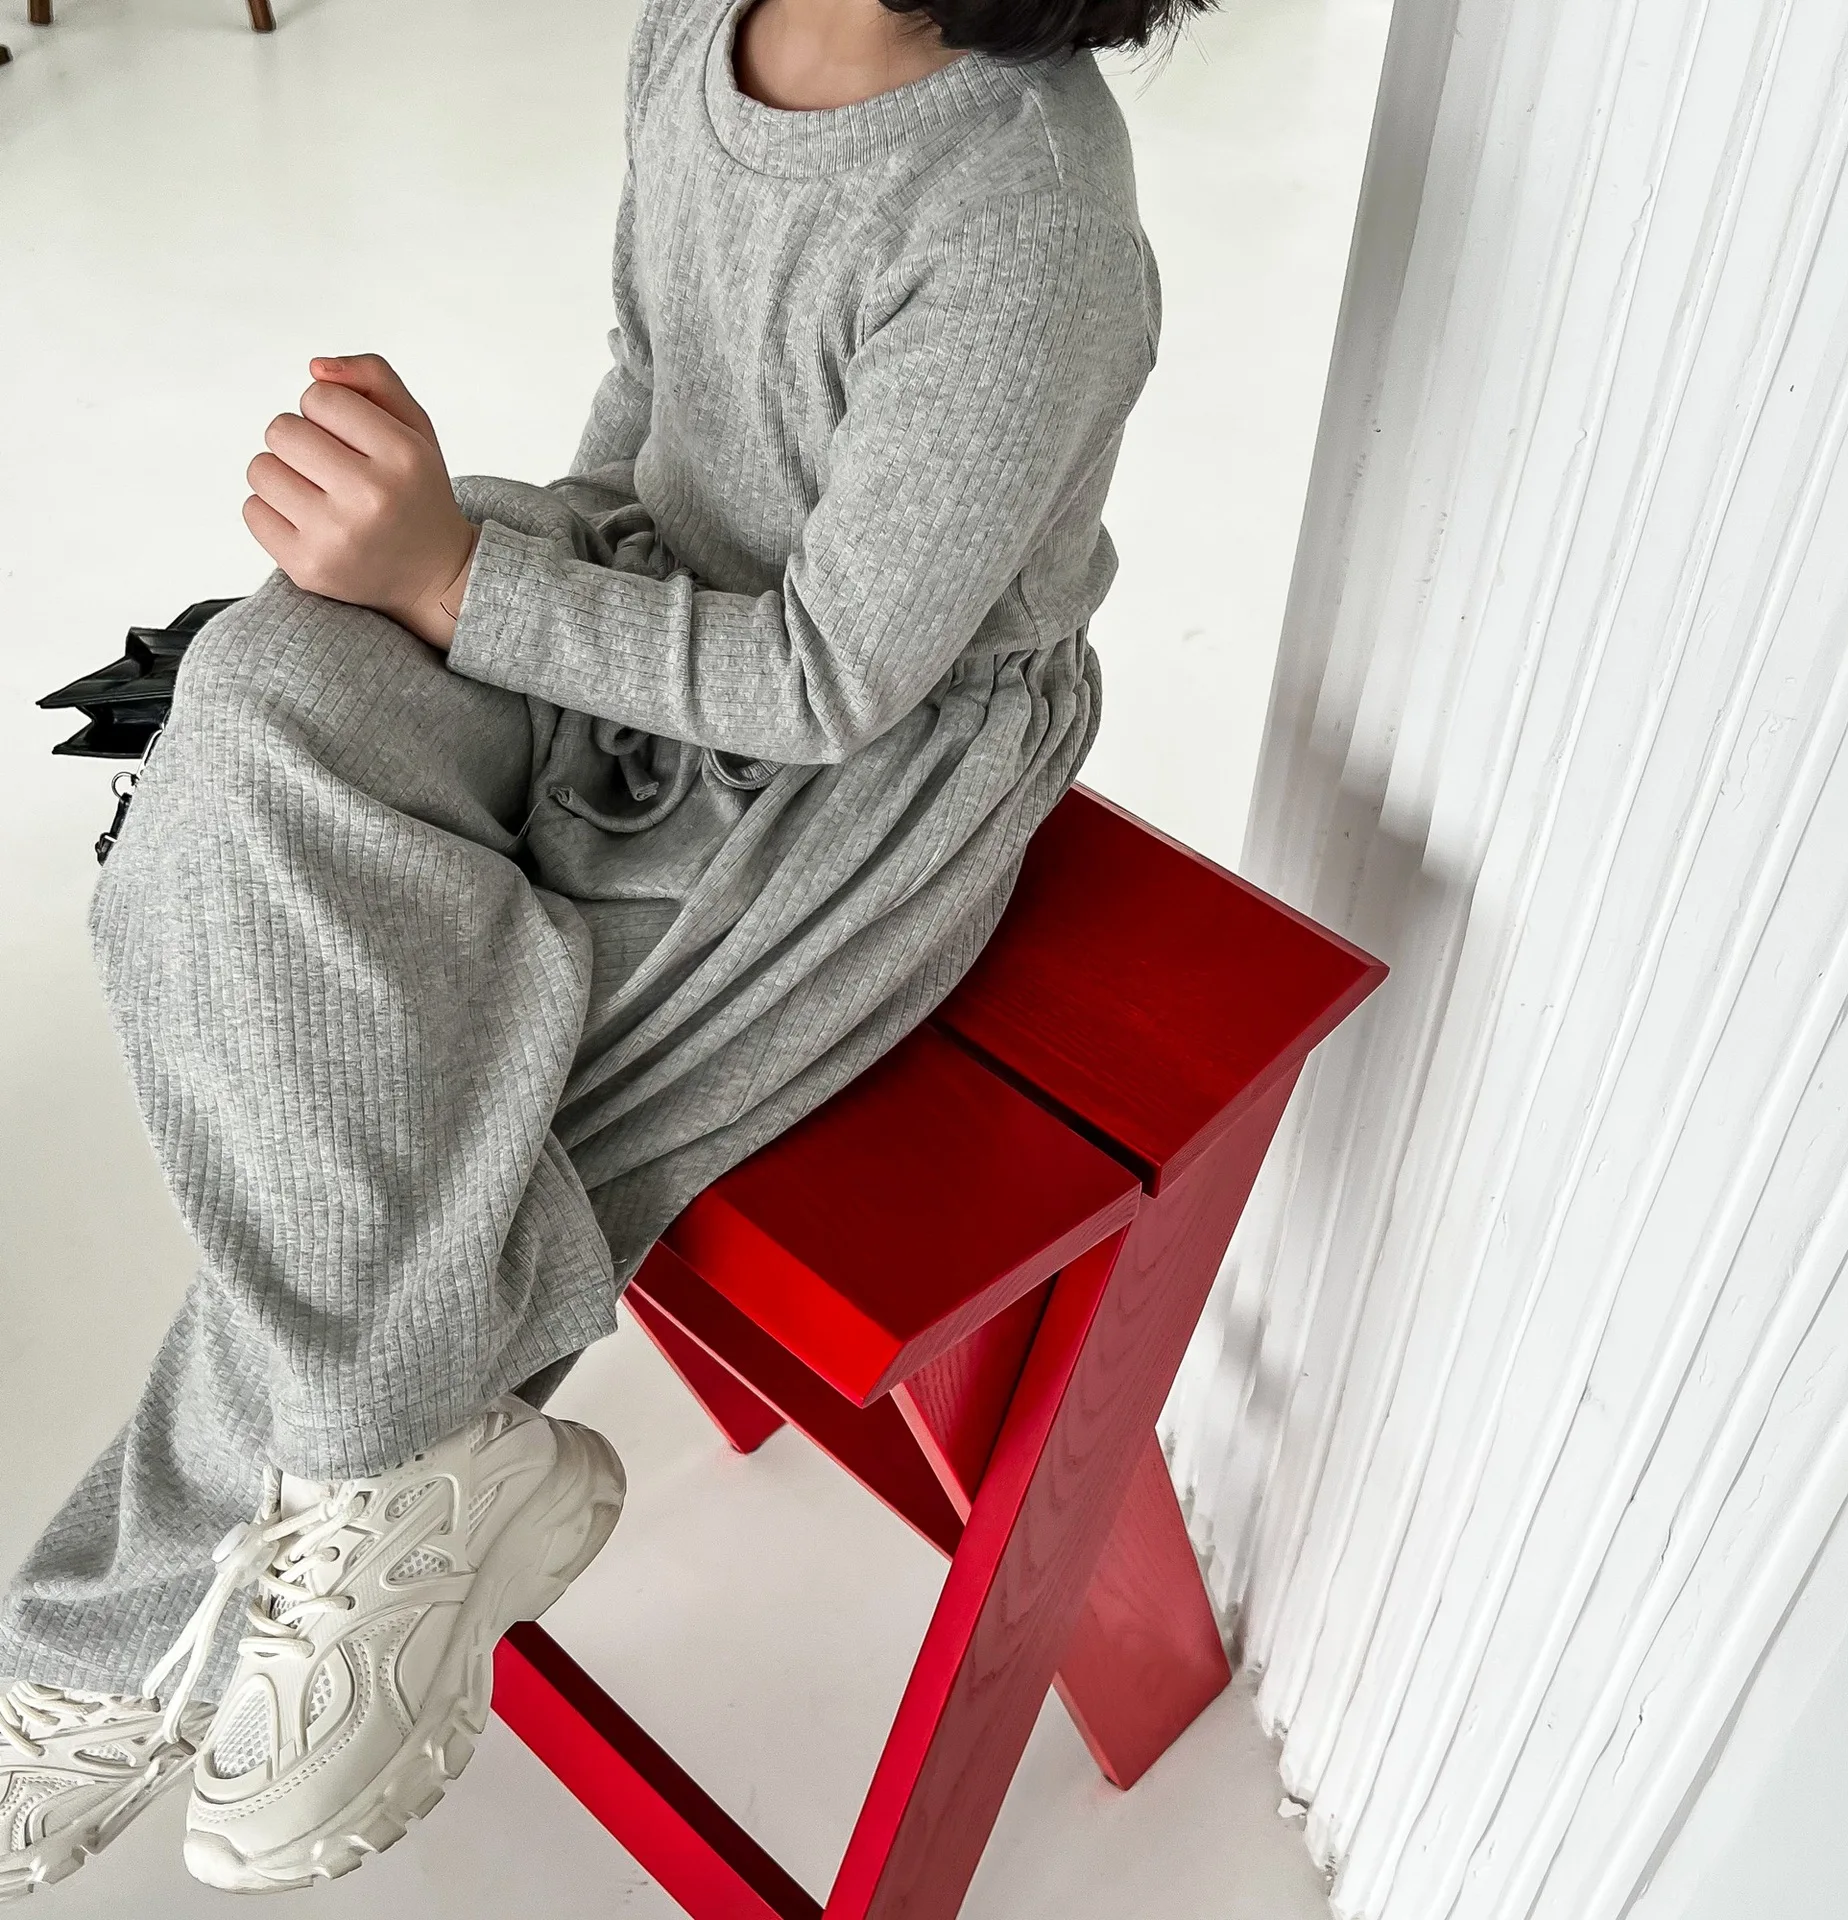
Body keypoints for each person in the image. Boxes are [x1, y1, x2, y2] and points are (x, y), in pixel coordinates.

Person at [0, 0, 1196, 1895]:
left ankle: (120, 1635)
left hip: (845, 791)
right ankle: (396, 1476)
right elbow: (646, 391)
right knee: (251, 705)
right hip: (626, 610)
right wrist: (485, 608)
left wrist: (457, 584)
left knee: (438, 1127)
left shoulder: (1022, 217)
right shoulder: (703, 24)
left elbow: (833, 680)